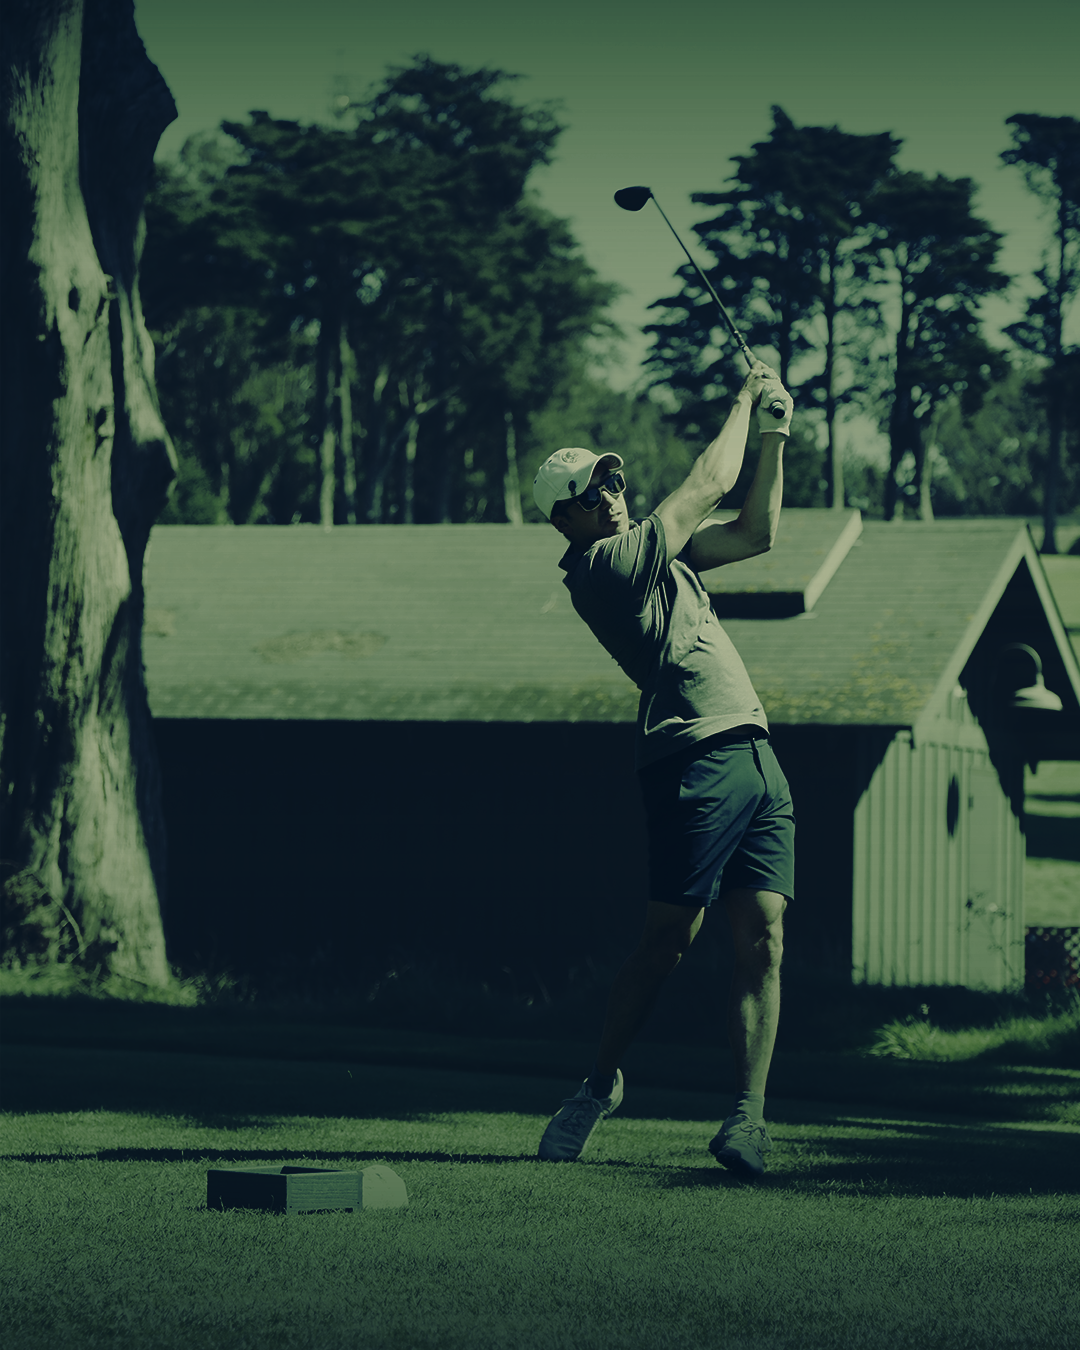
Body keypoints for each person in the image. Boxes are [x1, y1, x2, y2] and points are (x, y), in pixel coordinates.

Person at [530, 363, 795, 1181]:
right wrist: (744, 399)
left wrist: (775, 438)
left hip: (756, 753)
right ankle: (596, 1084)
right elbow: (708, 485)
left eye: (611, 480)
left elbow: (755, 533)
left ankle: (747, 1120)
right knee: (667, 943)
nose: (609, 494)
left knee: (765, 938)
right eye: (589, 492)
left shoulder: (661, 557)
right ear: (564, 520)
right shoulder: (606, 569)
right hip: (694, 759)